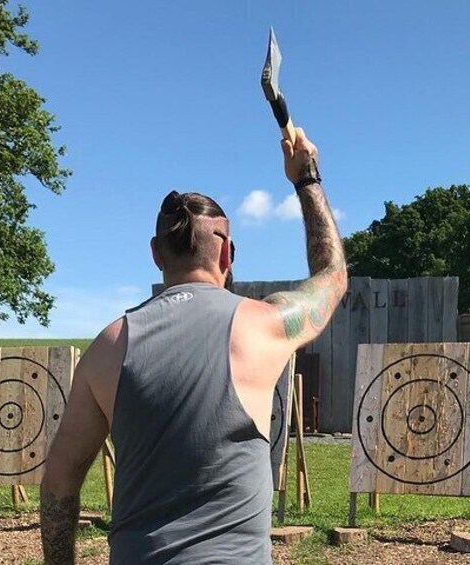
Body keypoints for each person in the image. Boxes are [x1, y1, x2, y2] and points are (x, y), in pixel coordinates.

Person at [40, 128, 346, 564]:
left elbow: (59, 481)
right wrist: (307, 178)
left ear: (156, 254)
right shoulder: (261, 326)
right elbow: (332, 279)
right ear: (226, 257)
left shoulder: (109, 345)